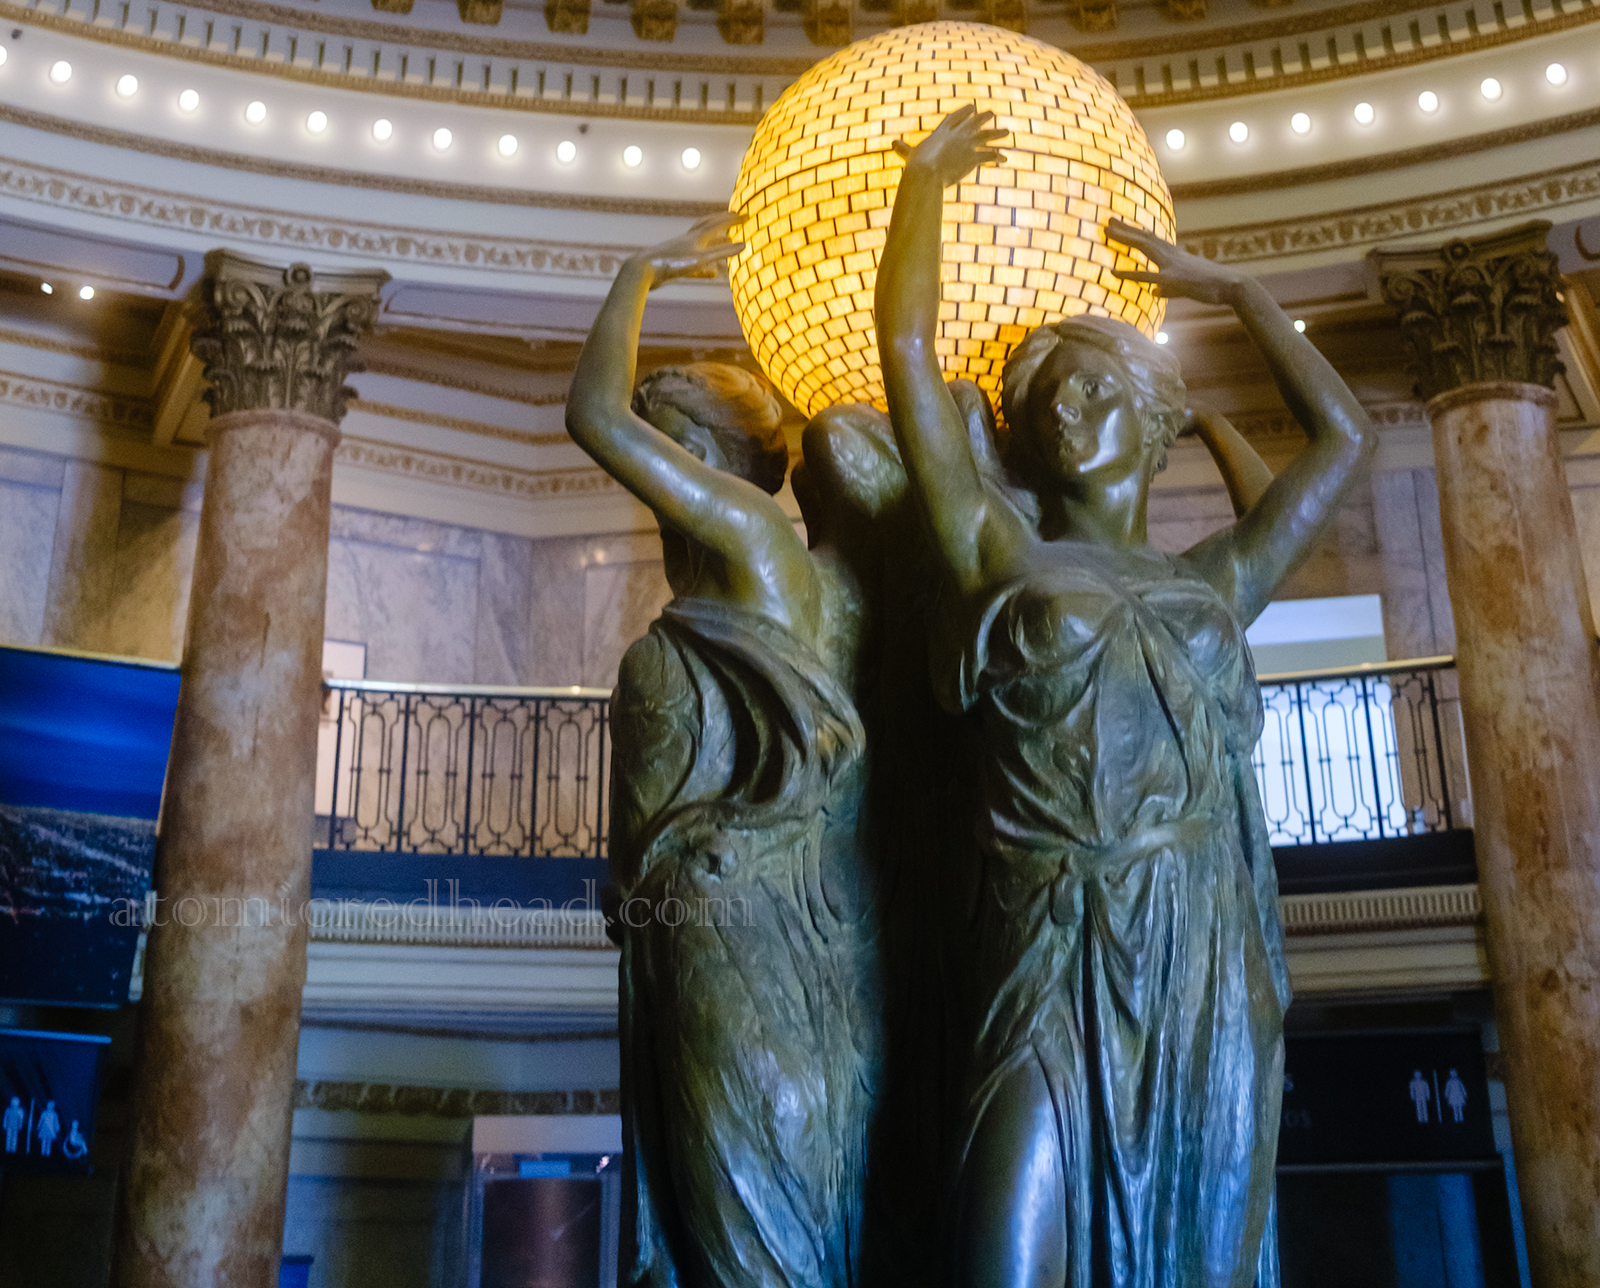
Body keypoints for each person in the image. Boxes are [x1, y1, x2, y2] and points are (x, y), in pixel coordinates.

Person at [874, 105, 1375, 1288]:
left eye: (1095, 390)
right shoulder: (1000, 552)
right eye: (1047, 400)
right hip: (1047, 931)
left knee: (1194, 1250)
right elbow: (906, 354)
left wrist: (1235, 294)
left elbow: (1343, 441)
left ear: (1153, 427)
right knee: (1001, 1250)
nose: (1063, 409)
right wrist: (921, 185)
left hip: (1195, 933)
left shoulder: (1213, 582)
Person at [566, 215, 884, 1288]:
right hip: (689, 937)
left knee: (752, 1213)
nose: (652, 472)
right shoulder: (725, 593)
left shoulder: (761, 551)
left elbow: (591, 416)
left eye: (669, 447)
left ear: (714, 463)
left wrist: (636, 274)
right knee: (710, 1221)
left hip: (747, 929)